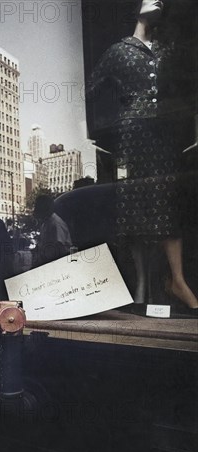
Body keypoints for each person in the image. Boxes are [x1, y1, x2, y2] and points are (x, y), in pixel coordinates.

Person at [87, 0, 198, 313]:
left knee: (166, 202)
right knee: (135, 205)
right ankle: (140, 284)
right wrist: (115, 122)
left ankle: (176, 279)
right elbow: (91, 92)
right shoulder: (117, 51)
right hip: (132, 137)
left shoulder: (168, 49)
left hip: (164, 134)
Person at [32, 194, 73, 268]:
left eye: (37, 206)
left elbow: (59, 248)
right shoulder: (45, 223)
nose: (35, 209)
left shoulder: (55, 224)